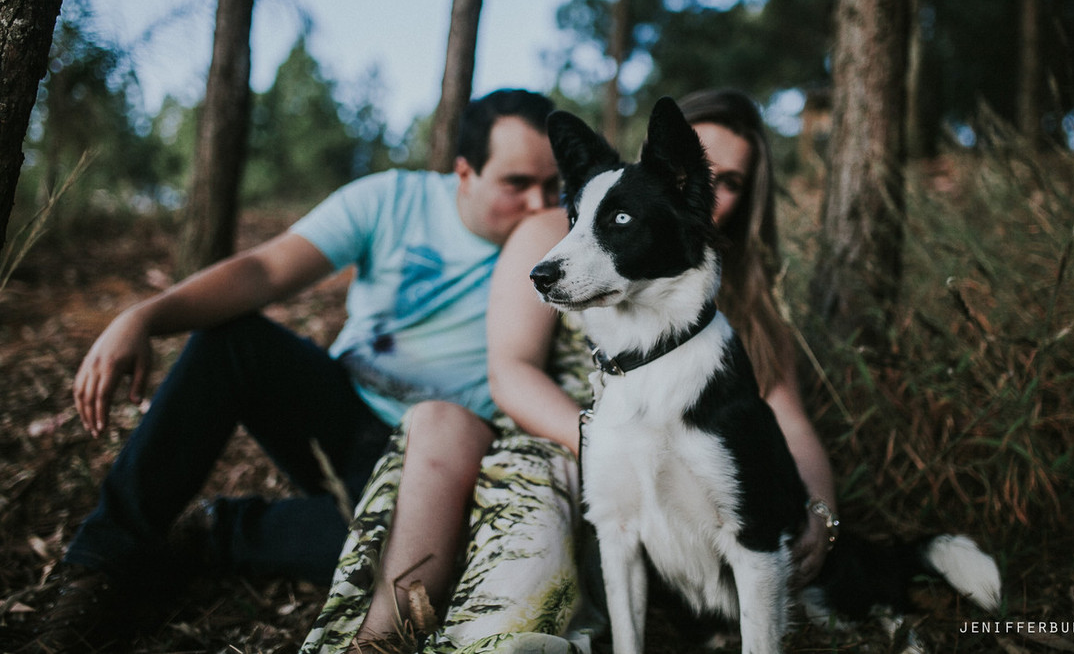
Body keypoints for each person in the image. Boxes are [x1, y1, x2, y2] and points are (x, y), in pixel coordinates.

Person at [302, 87, 836, 653]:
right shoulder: (560, 240)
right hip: (563, 452)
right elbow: (510, 370)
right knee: (514, 566)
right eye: (694, 162)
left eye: (728, 180)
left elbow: (784, 422)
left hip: (680, 515)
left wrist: (820, 516)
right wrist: (610, 445)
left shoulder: (752, 297)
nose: (699, 185)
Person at [29, 88, 561, 654]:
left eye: (552, 184)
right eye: (517, 183)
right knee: (234, 340)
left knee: (425, 561)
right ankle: (98, 570)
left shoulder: (567, 241)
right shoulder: (393, 199)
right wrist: (145, 316)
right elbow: (264, 270)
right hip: (343, 412)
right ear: (464, 172)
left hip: (440, 463)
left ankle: (217, 532)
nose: (539, 202)